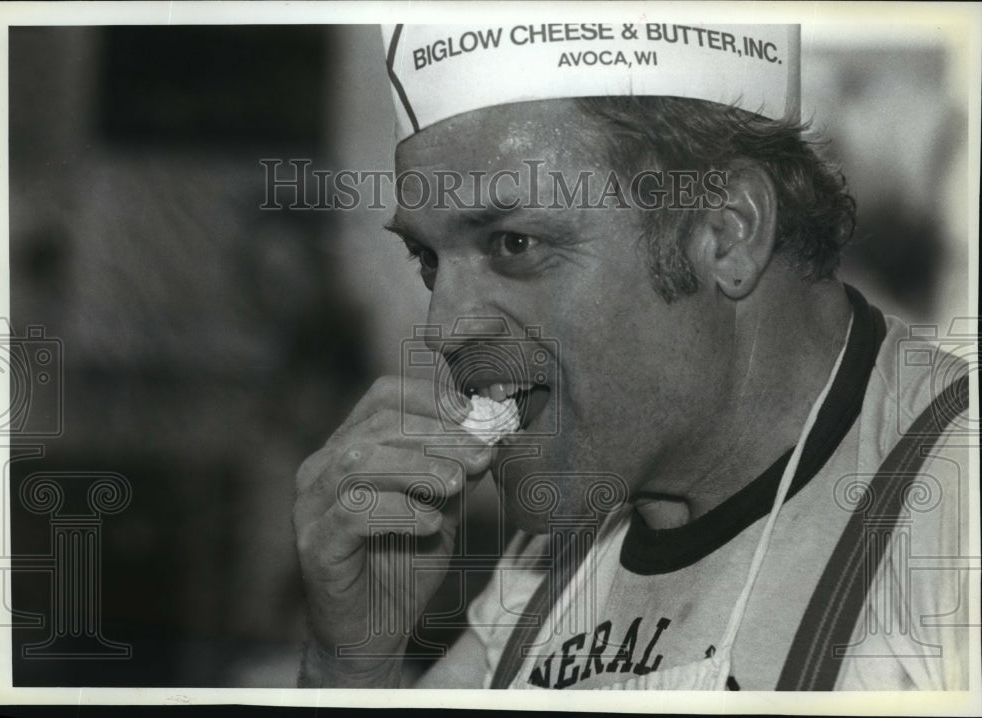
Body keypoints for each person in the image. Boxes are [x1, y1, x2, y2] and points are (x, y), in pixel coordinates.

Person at [293, 22, 972, 690]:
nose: (443, 325)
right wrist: (352, 662)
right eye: (426, 259)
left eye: (515, 244)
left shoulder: (955, 515)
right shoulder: (558, 552)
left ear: (726, 234)